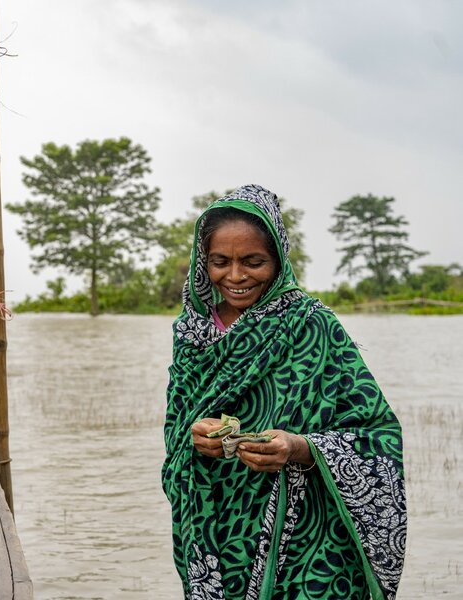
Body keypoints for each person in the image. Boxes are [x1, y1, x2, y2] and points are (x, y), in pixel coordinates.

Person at [161, 185, 406, 599]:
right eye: (220, 262)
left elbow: (378, 434)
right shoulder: (191, 333)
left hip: (307, 534)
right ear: (203, 264)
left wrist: (298, 447)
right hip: (217, 525)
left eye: (253, 262)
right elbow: (176, 430)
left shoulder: (313, 325)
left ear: (278, 259)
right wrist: (195, 437)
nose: (235, 277)